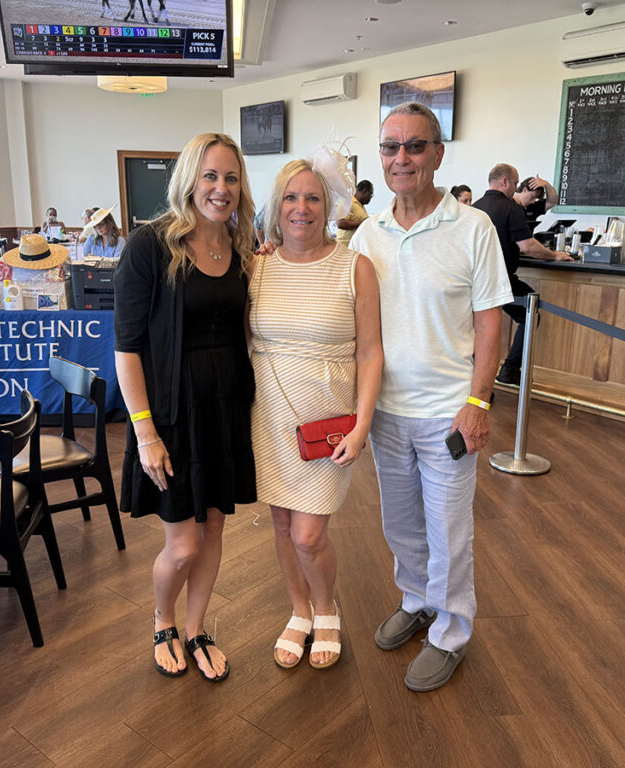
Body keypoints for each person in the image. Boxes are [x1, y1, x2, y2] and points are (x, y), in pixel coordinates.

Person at [349, 102, 513, 692]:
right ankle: (416, 599)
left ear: (438, 153)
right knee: (401, 526)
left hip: (448, 412)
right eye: (390, 147)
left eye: (414, 146)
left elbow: (491, 323)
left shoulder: (473, 228)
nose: (401, 158)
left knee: (449, 532)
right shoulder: (368, 235)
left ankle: (450, 632)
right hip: (386, 412)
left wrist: (480, 401)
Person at [113, 132, 257, 684]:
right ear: (190, 180)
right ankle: (163, 620)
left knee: (215, 528)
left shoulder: (242, 248)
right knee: (183, 542)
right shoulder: (150, 246)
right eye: (211, 176)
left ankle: (197, 627)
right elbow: (126, 348)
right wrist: (145, 433)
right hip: (173, 415)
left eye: (231, 178)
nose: (221, 189)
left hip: (225, 408)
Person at [251, 153, 382, 671]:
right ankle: (298, 610)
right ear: (275, 205)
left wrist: (364, 421)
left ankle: (326, 607)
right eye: (290, 196)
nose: (300, 208)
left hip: (327, 424)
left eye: (312, 197)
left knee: (309, 533)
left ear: (328, 206)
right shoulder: (257, 265)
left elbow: (370, 352)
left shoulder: (356, 266)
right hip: (270, 416)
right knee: (283, 525)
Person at [472, 163, 573, 387]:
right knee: (530, 314)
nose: (516, 188)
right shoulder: (511, 208)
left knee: (478, 329)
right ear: (505, 182)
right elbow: (527, 246)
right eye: (516, 183)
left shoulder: (475, 208)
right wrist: (554, 256)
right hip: (500, 280)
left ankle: (477, 383)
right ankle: (509, 370)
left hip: (474, 281)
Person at [335, 179, 374, 245]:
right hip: (345, 247)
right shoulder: (348, 203)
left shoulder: (361, 206)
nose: (370, 198)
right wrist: (362, 222)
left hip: (354, 247)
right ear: (364, 191)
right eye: (370, 194)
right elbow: (340, 223)